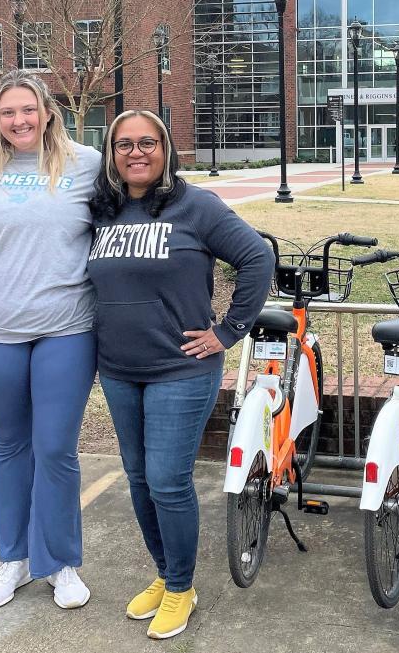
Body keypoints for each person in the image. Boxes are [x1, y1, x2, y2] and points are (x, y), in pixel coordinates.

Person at [87, 110, 274, 639]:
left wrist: (228, 331)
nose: (136, 153)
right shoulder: (102, 209)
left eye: (148, 142)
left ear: (166, 149)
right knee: (140, 478)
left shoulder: (197, 207)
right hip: (120, 371)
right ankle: (166, 573)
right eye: (124, 144)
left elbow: (256, 258)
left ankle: (181, 588)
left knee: (169, 481)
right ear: (111, 153)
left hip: (181, 369)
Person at [0, 70, 102, 610]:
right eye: (8, 112)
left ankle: (59, 563)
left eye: (28, 110)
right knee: (9, 446)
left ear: (47, 112)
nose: (19, 121)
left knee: (56, 448)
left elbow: (123, 216)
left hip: (66, 324)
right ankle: (11, 560)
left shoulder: (85, 163)